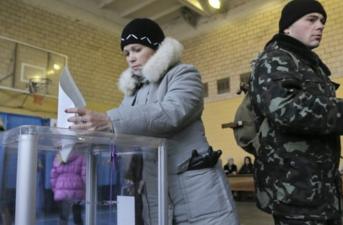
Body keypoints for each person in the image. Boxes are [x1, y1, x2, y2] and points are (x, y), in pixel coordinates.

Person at [65, 18, 239, 225]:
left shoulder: (184, 74)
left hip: (196, 189)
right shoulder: (131, 95)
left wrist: (109, 120)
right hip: (156, 190)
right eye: (127, 53)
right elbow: (122, 130)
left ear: (157, 48)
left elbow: (173, 111)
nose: (130, 58)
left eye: (136, 49)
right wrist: (88, 134)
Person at [248, 0, 343, 224]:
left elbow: (315, 110)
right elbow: (285, 109)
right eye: (311, 19)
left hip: (319, 188)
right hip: (295, 191)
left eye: (322, 21)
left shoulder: (306, 63)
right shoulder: (276, 58)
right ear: (288, 26)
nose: (320, 25)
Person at [51, 148, 85, 225]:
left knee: (63, 216)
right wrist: (83, 188)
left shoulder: (59, 156)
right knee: (77, 216)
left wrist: (55, 189)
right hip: (77, 188)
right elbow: (84, 175)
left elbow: (53, 175)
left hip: (61, 189)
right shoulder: (80, 155)